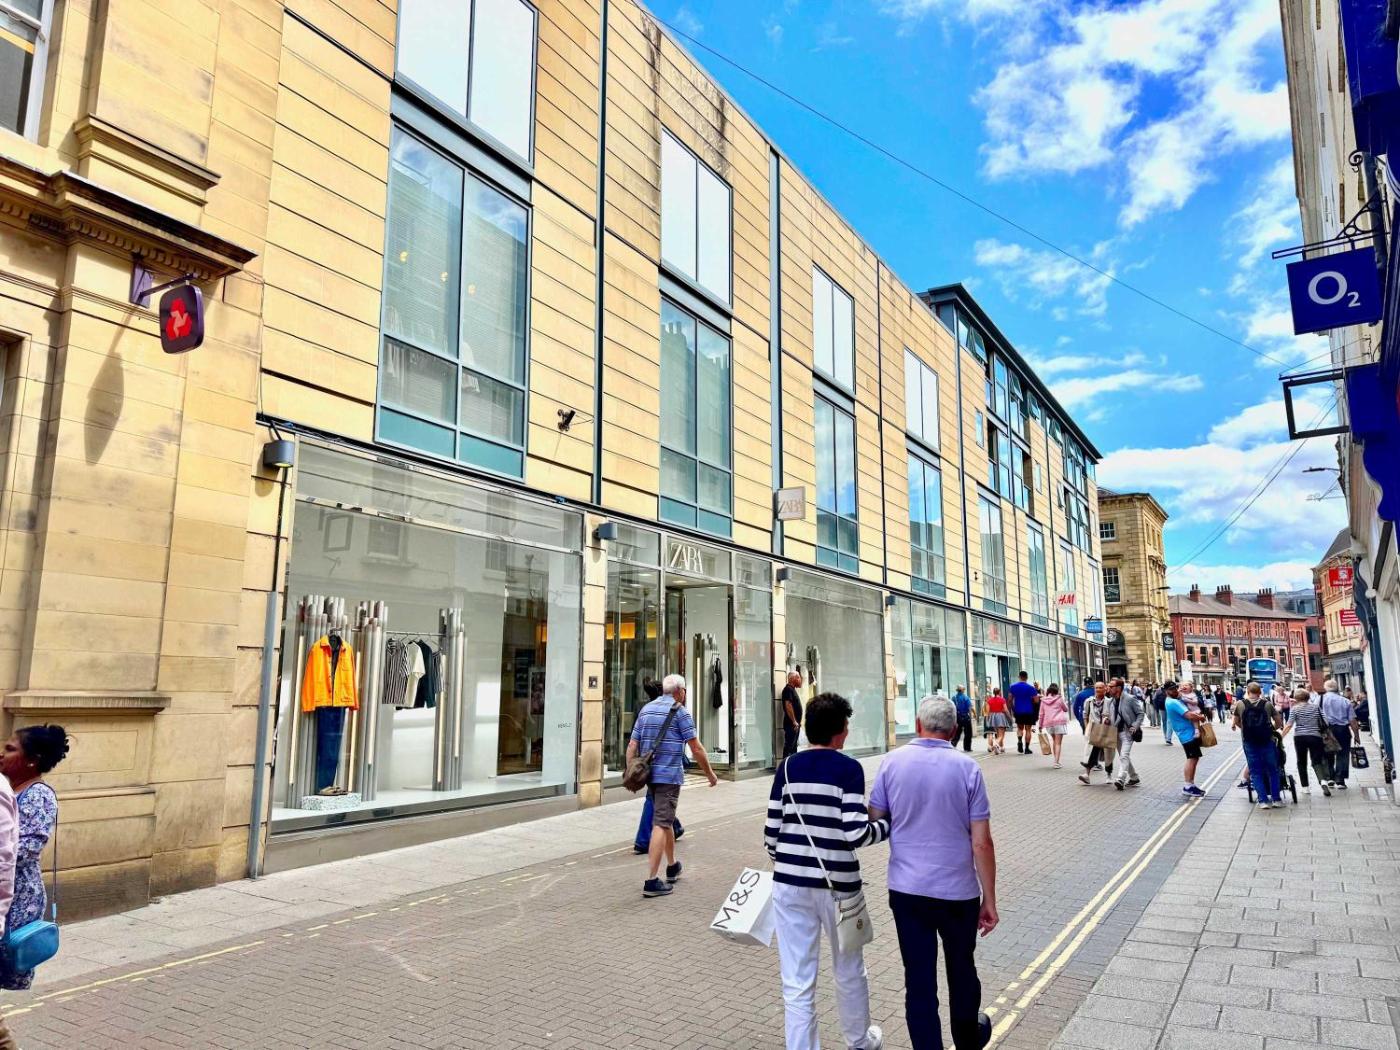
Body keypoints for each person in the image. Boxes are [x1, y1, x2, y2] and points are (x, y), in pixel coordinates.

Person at [869, 696, 995, 1050]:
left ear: (918, 725)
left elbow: (875, 819)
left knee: (919, 979)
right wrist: (990, 899)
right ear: (954, 731)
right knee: (962, 969)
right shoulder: (968, 768)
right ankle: (968, 1039)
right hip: (958, 892)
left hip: (907, 891)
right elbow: (982, 843)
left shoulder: (892, 763)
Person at [765, 693, 888, 1050]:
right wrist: (889, 826)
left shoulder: (788, 767)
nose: (847, 732)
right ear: (838, 732)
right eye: (846, 726)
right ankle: (859, 1041)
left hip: (790, 885)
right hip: (839, 888)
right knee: (849, 967)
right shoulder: (848, 769)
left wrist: (788, 861)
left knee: (796, 979)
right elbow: (856, 832)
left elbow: (771, 833)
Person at [626, 674, 717, 897]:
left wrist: (631, 771)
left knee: (665, 820)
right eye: (684, 690)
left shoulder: (646, 710)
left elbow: (632, 745)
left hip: (650, 776)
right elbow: (696, 749)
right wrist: (710, 774)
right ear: (679, 692)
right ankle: (651, 880)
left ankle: (672, 865)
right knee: (661, 823)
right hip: (669, 777)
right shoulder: (680, 713)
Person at [0, 726, 68, 991]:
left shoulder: (38, 795)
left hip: (17, 897)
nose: (2, 754)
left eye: (10, 749)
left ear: (32, 760)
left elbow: (25, 849)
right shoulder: (9, 789)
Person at [633, 680, 684, 853]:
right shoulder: (675, 711)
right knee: (655, 801)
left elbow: (633, 743)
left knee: (659, 801)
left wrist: (631, 767)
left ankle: (675, 826)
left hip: (649, 765)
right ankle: (643, 840)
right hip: (666, 769)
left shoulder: (646, 710)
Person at [1233, 683, 1283, 810]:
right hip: (1267, 740)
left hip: (1249, 741)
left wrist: (1245, 730)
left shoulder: (1240, 704)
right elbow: (1279, 722)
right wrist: (1271, 730)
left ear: (1247, 691)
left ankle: (1263, 801)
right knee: (1273, 770)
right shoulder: (1267, 704)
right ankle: (1276, 799)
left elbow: (1236, 721)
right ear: (1260, 692)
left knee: (1255, 771)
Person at [1281, 687, 1331, 796]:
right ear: (1307, 697)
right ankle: (1323, 781)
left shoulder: (1295, 709)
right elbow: (1326, 722)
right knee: (1316, 760)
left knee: (1301, 761)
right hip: (1315, 737)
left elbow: (1289, 725)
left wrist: (1281, 737)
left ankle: (1305, 787)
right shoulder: (1316, 707)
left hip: (1300, 737)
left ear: (1296, 698)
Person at [1164, 681, 1206, 797]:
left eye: (1175, 688)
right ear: (1166, 691)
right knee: (1192, 759)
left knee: (1194, 758)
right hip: (1186, 734)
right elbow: (1189, 715)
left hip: (1187, 733)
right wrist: (1200, 717)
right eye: (1171, 689)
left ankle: (1190, 784)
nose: (1175, 691)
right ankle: (1188, 786)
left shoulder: (1171, 700)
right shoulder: (1173, 702)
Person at [1320, 679, 1360, 790]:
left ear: (1325, 688)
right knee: (1343, 754)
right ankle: (1340, 780)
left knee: (1327, 753)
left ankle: (1330, 778)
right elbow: (1352, 720)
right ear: (1336, 688)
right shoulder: (1345, 701)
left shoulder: (1319, 700)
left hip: (1326, 730)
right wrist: (1356, 735)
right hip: (1342, 730)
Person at [1077, 683, 1116, 786]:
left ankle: (1109, 775)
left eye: (1100, 688)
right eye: (1096, 688)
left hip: (1107, 730)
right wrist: (1087, 728)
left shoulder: (1110, 702)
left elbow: (1113, 715)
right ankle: (1086, 775)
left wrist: (1109, 721)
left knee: (1108, 754)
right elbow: (1085, 715)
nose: (1098, 689)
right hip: (1094, 730)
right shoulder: (1089, 701)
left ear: (1105, 689)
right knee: (1092, 752)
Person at [1111, 679, 1144, 790]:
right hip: (1116, 732)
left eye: (1111, 686)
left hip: (1127, 732)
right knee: (1123, 756)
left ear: (1118, 688)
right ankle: (1134, 777)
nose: (1109, 688)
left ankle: (1121, 778)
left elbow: (1140, 713)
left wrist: (1135, 725)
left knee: (1124, 755)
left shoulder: (1130, 698)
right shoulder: (1112, 700)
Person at [1036, 683, 1070, 768]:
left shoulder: (1043, 700)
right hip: (1059, 722)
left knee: (1055, 741)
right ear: (1057, 690)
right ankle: (1056, 762)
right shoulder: (1059, 698)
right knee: (1058, 743)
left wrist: (1040, 725)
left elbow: (1041, 714)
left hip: (1049, 723)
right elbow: (1066, 709)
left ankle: (1056, 760)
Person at [1009, 671, 1039, 755]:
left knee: (1020, 728)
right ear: (1026, 677)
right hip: (1029, 711)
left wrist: (1013, 709)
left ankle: (1019, 741)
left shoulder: (1013, 687)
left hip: (1018, 711)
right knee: (1028, 729)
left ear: (1019, 677)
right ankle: (1027, 748)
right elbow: (1036, 701)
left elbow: (1010, 700)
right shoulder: (1031, 688)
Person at [782, 670, 805, 761]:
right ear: (792, 679)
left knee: (793, 748)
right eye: (798, 678)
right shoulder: (788, 689)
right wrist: (794, 721)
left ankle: (792, 766)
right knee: (789, 747)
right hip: (791, 725)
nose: (800, 680)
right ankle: (785, 766)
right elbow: (788, 705)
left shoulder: (792, 690)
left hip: (794, 725)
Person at [983, 688, 1010, 755]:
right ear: (999, 692)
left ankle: (1001, 748)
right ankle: (996, 743)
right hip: (1000, 716)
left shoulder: (990, 700)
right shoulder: (1002, 699)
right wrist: (1009, 717)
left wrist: (988, 720)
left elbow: (988, 712)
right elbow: (1006, 709)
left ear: (993, 692)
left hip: (993, 717)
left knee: (998, 734)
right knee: (1001, 734)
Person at [952, 685, 974, 752]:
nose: (964, 690)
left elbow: (952, 708)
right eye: (964, 689)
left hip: (957, 717)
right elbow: (969, 707)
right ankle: (967, 747)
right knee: (968, 733)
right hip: (965, 717)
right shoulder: (965, 697)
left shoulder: (954, 698)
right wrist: (971, 716)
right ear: (962, 690)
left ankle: (953, 745)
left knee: (957, 732)